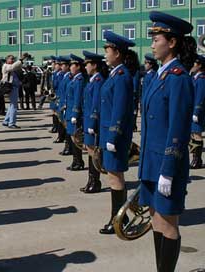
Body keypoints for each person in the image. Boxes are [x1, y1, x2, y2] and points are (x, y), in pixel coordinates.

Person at [139, 11, 196, 271]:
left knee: (168, 223)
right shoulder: (157, 76)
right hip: (151, 161)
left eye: (156, 37)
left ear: (171, 42)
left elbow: (178, 129)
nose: (152, 43)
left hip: (166, 165)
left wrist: (169, 171)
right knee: (156, 220)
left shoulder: (178, 78)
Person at [99, 31, 137, 235]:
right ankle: (121, 216)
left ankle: (118, 219)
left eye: (108, 50)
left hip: (115, 136)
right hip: (108, 134)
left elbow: (120, 110)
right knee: (114, 176)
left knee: (115, 177)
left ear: (118, 53)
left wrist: (113, 136)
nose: (105, 54)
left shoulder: (122, 77)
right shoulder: (115, 74)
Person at [81, 50, 108, 193]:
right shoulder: (93, 80)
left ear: (95, 65)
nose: (85, 67)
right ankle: (91, 180)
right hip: (87, 121)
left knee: (93, 153)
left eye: (87, 64)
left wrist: (92, 123)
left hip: (93, 123)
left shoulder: (98, 81)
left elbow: (96, 105)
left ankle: (95, 182)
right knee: (90, 152)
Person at [65, 54, 85, 171]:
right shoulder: (74, 79)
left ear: (78, 66)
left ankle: (78, 161)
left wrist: (75, 114)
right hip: (69, 111)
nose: (70, 67)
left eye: (72, 65)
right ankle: (76, 160)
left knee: (76, 138)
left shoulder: (79, 79)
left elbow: (78, 98)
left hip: (74, 112)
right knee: (72, 137)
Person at [2, 53, 29, 129]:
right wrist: (21, 59)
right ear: (7, 60)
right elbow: (13, 67)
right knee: (14, 106)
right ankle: (12, 123)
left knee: (12, 105)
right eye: (11, 58)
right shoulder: (6, 66)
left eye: (13, 58)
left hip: (14, 87)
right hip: (11, 87)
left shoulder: (10, 66)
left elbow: (17, 67)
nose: (12, 60)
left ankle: (6, 121)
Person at [189, 55, 205, 169]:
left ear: (200, 65)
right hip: (192, 111)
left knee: (197, 135)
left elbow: (200, 97)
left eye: (195, 64)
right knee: (193, 135)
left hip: (198, 112)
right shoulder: (195, 77)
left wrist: (196, 111)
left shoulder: (202, 79)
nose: (193, 66)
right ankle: (195, 158)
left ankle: (198, 159)